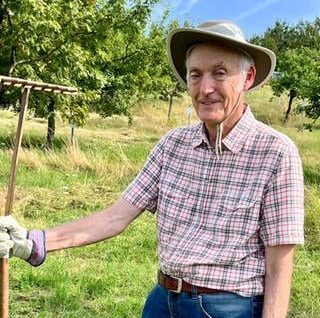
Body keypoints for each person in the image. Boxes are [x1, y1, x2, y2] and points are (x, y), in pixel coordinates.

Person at [0, 20, 304, 318]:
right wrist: (33, 242)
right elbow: (115, 216)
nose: (205, 88)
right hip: (163, 301)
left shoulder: (276, 153)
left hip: (228, 308)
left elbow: (279, 264)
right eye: (195, 75)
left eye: (220, 73)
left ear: (247, 77)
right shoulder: (172, 144)